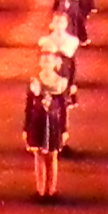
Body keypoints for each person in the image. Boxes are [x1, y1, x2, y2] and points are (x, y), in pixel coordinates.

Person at [25, 28, 76, 201]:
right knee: (38, 155)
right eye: (43, 60)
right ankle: (40, 189)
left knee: (52, 156)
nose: (46, 63)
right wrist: (26, 127)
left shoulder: (60, 83)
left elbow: (63, 107)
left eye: (49, 60)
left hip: (53, 122)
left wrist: (64, 128)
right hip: (37, 122)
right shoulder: (35, 82)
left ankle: (51, 189)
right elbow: (28, 106)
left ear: (55, 63)